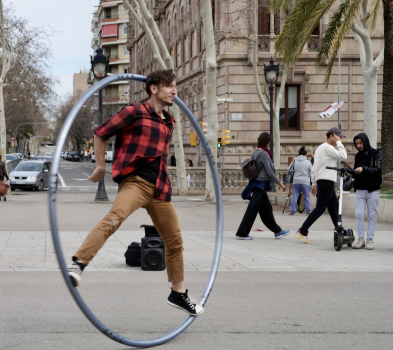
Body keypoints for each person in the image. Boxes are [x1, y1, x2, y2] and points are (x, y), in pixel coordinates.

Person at [66, 69, 203, 316]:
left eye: (175, 86)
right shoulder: (135, 111)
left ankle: (178, 293)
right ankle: (78, 263)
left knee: (174, 241)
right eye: (170, 86)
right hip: (136, 182)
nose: (175, 90)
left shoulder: (169, 121)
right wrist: (99, 166)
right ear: (154, 88)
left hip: (160, 187)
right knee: (114, 219)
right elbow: (101, 133)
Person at [295, 127, 347, 244]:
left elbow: (314, 167)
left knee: (334, 208)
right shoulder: (327, 148)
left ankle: (340, 232)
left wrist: (314, 183)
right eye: (338, 137)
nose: (340, 139)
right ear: (332, 135)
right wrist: (338, 142)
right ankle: (302, 231)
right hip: (326, 181)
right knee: (320, 208)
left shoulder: (320, 148)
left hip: (324, 181)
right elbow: (343, 155)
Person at [235, 132, 289, 240]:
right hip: (260, 185)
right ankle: (242, 233)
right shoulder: (264, 154)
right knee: (252, 210)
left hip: (258, 184)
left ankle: (277, 231)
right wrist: (280, 183)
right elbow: (269, 171)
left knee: (267, 209)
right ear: (267, 142)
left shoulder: (255, 152)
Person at [346, 132, 382, 250]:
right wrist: (350, 170)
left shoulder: (376, 154)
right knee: (359, 215)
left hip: (373, 189)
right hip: (360, 189)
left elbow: (377, 170)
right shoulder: (358, 156)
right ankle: (360, 239)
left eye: (360, 143)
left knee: (372, 215)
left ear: (365, 142)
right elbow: (358, 173)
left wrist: (364, 168)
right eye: (357, 144)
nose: (359, 145)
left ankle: (370, 239)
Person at [288, 147, 313, 215]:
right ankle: (308, 210)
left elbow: (288, 168)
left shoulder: (294, 161)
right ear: (305, 155)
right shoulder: (308, 162)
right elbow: (311, 172)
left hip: (296, 180)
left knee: (295, 195)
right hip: (306, 181)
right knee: (306, 196)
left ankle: (292, 210)